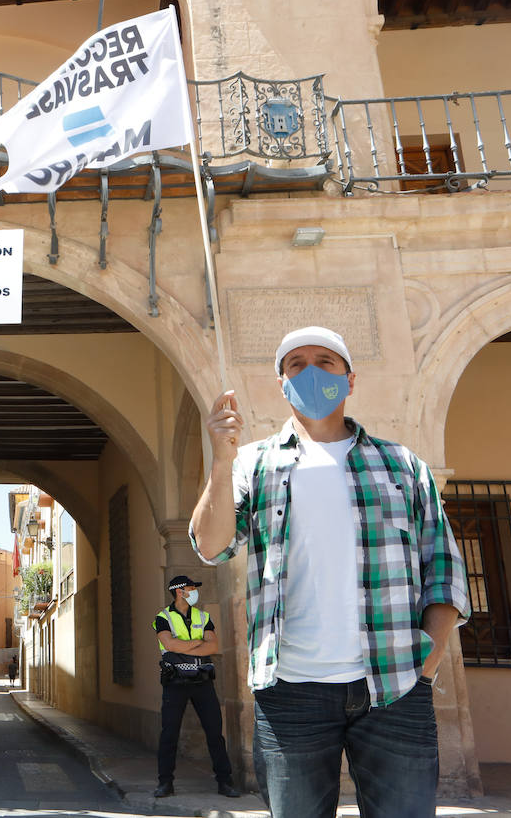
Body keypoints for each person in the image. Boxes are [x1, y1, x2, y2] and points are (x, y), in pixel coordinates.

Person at [190, 325, 470, 818]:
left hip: (395, 688)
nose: (312, 372)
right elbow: (210, 547)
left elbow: (444, 568)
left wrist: (429, 657)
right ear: (282, 383)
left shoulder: (403, 466)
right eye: (296, 364)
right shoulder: (251, 466)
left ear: (350, 379)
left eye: (326, 361)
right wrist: (220, 458)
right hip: (290, 694)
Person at [151, 575, 239, 799]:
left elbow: (213, 646)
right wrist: (198, 643)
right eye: (191, 588)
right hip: (175, 683)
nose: (194, 591)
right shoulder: (162, 618)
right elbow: (168, 644)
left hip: (202, 682)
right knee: (169, 734)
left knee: (214, 733)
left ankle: (225, 782)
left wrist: (182, 648)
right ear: (180, 591)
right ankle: (165, 783)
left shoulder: (204, 616)